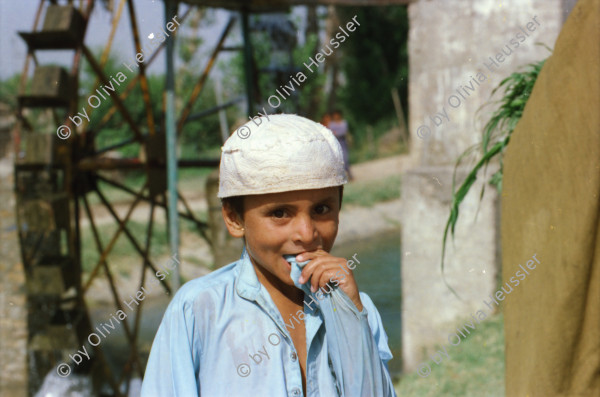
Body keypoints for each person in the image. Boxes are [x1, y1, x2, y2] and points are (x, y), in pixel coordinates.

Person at [141, 114, 395, 396]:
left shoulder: (358, 308)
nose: (306, 233)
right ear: (234, 219)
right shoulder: (199, 310)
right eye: (279, 213)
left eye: (322, 210)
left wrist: (349, 316)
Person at [328, 110, 353, 181]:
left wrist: (336, 133)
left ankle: (349, 175)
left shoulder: (343, 123)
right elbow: (331, 132)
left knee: (345, 159)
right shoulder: (331, 124)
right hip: (336, 143)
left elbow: (343, 132)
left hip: (343, 142)